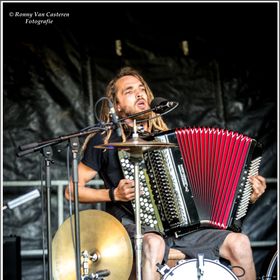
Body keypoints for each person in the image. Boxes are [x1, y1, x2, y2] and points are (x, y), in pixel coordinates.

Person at [65, 66, 267, 280]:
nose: (139, 93)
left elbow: (204, 190)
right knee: (153, 243)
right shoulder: (104, 140)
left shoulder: (166, 140)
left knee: (239, 243)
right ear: (117, 106)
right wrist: (114, 194)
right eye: (129, 91)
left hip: (182, 230)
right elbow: (71, 191)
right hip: (133, 228)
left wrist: (247, 195)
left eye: (141, 88)